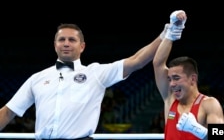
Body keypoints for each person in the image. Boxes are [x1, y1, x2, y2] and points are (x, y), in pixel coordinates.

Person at [0, 13, 175, 139]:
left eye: (72, 40)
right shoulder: (36, 78)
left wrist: (165, 35)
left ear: (82, 46)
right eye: (62, 40)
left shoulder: (96, 73)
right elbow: (8, 112)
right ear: (55, 45)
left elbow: (136, 61)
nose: (66, 44)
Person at [153, 10, 224, 140]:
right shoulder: (170, 99)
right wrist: (172, 32)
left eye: (176, 78)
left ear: (193, 79)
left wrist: (199, 130)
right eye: (169, 79)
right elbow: (158, 64)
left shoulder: (209, 104)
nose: (172, 84)